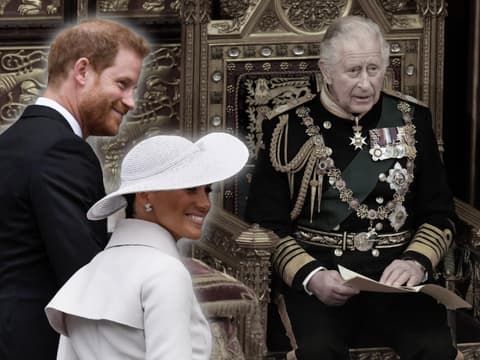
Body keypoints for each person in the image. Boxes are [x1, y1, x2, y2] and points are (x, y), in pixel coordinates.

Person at [245, 15, 461, 360]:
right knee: (317, 352)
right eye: (353, 71)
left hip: (396, 279)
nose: (365, 84)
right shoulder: (286, 128)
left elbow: (439, 212)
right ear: (326, 71)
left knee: (434, 349)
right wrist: (311, 275)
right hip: (323, 276)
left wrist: (416, 262)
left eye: (374, 69)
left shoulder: (411, 119)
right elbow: (266, 224)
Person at [0, 18, 149, 359]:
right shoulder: (61, 150)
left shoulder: (15, 140)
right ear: (82, 71)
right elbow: (85, 275)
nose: (130, 102)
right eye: (122, 83)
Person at [44, 132, 249, 359]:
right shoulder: (164, 272)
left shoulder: (88, 273)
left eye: (207, 190)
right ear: (146, 195)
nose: (204, 203)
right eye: (191, 189)